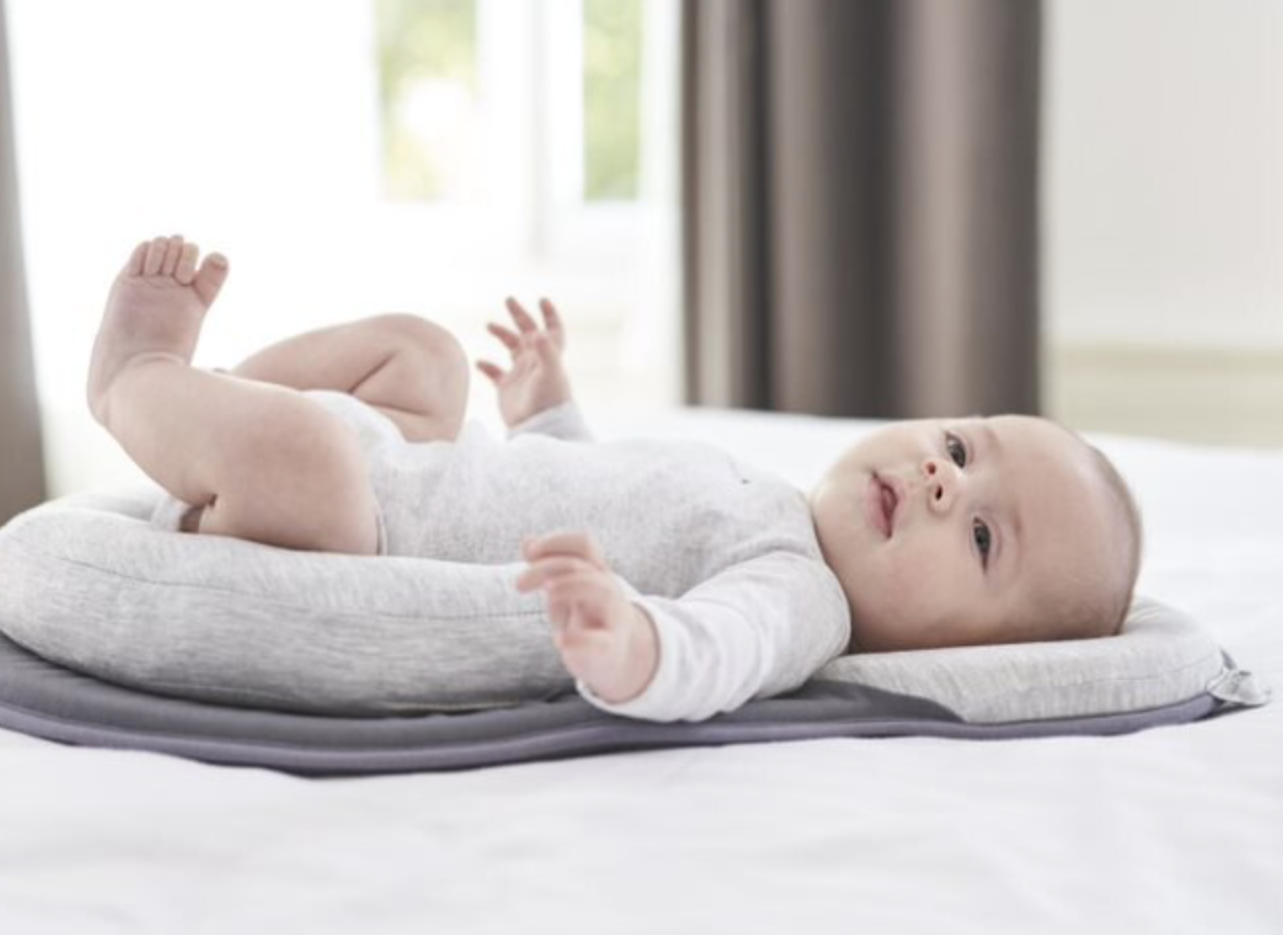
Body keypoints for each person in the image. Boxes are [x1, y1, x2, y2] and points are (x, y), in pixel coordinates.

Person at [86, 235, 1143, 722]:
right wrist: (546, 413)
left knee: (308, 456)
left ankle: (138, 384)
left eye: (979, 541)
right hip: (414, 464)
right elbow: (605, 490)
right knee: (423, 356)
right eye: (958, 448)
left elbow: (710, 654)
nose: (938, 482)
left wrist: (628, 641)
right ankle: (216, 409)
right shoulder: (766, 496)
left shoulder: (798, 601)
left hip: (352, 529)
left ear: (964, 653)